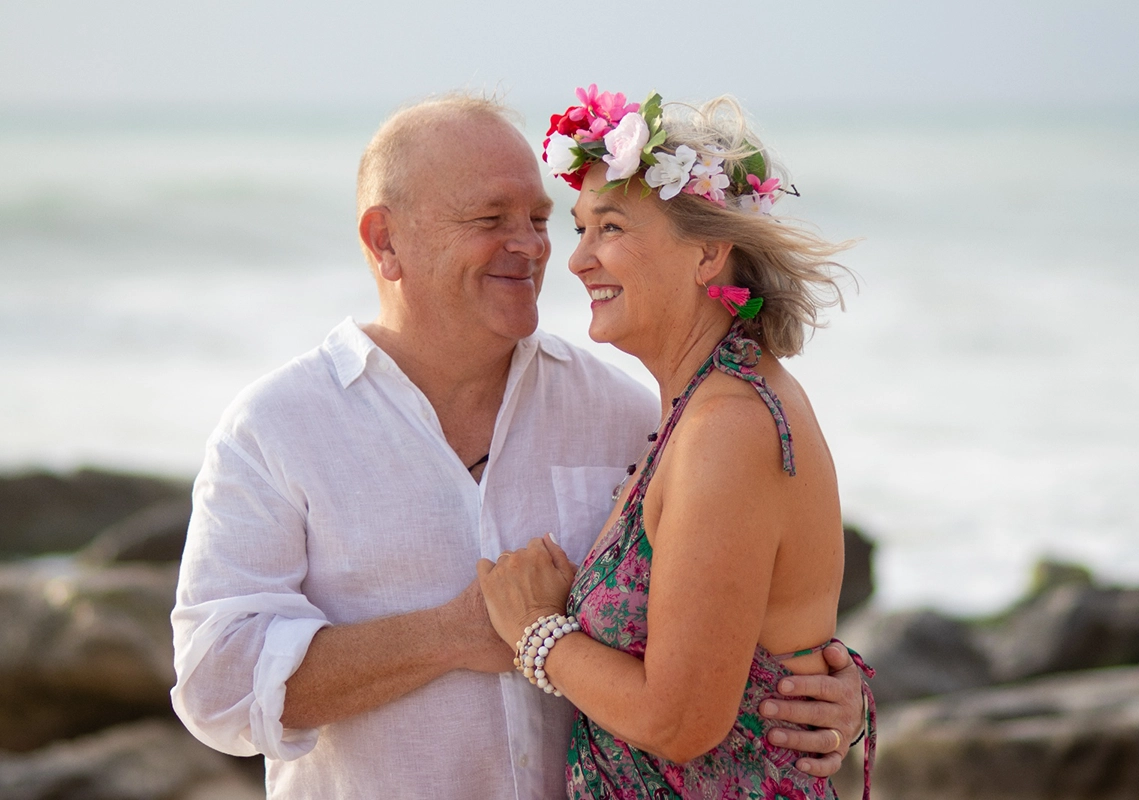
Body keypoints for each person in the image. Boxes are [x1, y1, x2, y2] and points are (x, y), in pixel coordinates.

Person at [170, 93, 866, 799]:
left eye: (539, 220)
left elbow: (734, 625)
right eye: (491, 219)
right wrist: (451, 634)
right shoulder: (276, 429)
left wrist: (823, 693)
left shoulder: (640, 417)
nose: (538, 249)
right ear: (384, 241)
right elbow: (215, 687)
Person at [476, 87, 874, 800]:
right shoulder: (703, 407)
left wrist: (537, 633)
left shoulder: (729, 426)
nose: (578, 261)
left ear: (709, 253)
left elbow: (682, 720)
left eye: (612, 228)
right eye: (580, 230)